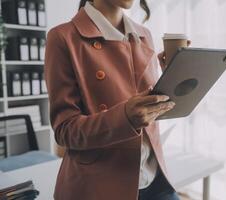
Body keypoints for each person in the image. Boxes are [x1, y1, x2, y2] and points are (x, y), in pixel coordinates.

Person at [45, 0, 187, 199]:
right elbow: (64, 131)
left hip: (155, 178)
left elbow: (150, 109)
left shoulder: (143, 35)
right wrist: (124, 118)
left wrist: (173, 78)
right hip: (100, 186)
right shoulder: (62, 37)